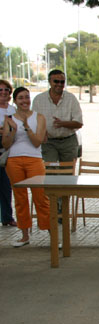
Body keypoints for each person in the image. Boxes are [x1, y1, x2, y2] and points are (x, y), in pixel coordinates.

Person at [2, 87, 50, 247]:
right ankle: (24, 235)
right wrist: (12, 131)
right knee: (20, 197)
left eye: (27, 97)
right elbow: (5, 144)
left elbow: (37, 141)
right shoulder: (9, 119)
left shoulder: (39, 117)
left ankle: (51, 233)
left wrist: (26, 126)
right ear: (15, 101)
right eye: (21, 98)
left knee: (40, 197)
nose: (25, 101)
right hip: (14, 160)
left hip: (34, 159)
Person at [32, 69, 83, 162]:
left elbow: (79, 124)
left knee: (68, 172)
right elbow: (34, 122)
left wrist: (63, 124)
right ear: (49, 82)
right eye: (56, 81)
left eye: (62, 82)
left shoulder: (71, 99)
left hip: (68, 141)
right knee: (51, 171)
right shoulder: (38, 100)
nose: (59, 84)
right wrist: (41, 132)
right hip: (48, 142)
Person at [0, 79, 17, 227]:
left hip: (8, 150)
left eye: (6, 90)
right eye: (0, 90)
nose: (3, 93)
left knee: (6, 186)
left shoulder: (13, 111)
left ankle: (7, 217)